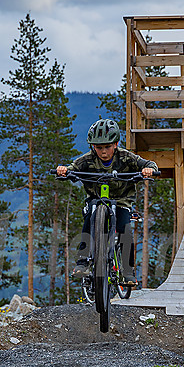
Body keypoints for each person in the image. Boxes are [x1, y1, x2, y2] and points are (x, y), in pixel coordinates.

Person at [56, 118, 158, 286]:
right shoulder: (87, 160)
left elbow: (148, 163)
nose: (103, 152)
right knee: (89, 218)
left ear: (116, 144)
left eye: (107, 147)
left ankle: (127, 271)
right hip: (95, 199)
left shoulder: (126, 157)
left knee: (125, 228)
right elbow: (72, 169)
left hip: (121, 201)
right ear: (93, 147)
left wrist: (149, 170)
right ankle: (82, 262)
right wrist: (64, 171)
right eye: (99, 147)